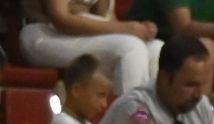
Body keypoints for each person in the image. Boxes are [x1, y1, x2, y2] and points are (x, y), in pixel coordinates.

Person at [19, 0, 162, 96]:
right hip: (44, 34)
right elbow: (61, 18)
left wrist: (140, 30)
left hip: (79, 35)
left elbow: (106, 19)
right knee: (132, 48)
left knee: (156, 48)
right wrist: (127, 29)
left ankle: (154, 122)